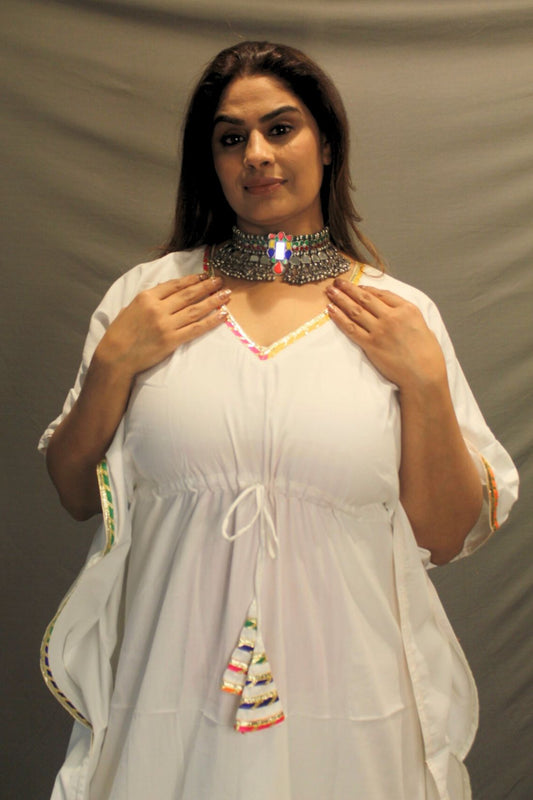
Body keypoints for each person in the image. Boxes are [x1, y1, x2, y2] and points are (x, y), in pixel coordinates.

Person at [39, 41, 518, 800]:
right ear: (212, 161)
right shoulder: (148, 298)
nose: (256, 154)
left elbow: (443, 533)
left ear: (326, 143)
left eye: (280, 129)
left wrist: (425, 381)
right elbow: (73, 492)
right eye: (231, 138)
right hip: (168, 690)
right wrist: (113, 366)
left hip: (353, 702)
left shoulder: (398, 315)